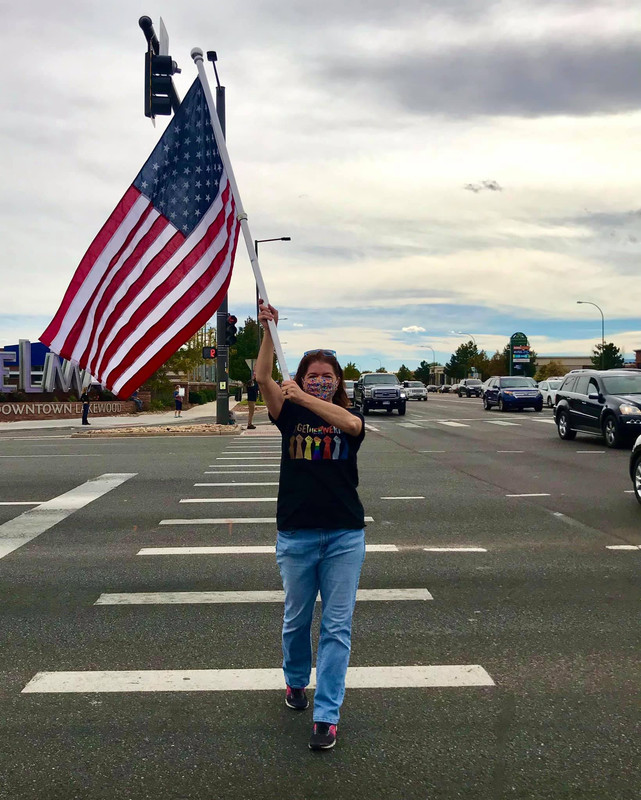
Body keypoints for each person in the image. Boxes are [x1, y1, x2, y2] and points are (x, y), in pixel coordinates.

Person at [255, 299, 366, 752]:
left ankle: (327, 714)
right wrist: (268, 329)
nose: (319, 381)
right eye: (311, 375)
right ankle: (295, 681)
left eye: (327, 376)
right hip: (297, 533)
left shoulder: (342, 414)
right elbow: (264, 377)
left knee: (337, 626)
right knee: (297, 619)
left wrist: (307, 398)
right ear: (300, 378)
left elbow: (354, 425)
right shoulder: (289, 414)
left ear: (337, 382)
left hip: (344, 534)